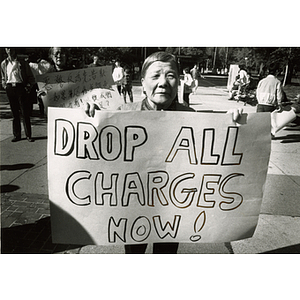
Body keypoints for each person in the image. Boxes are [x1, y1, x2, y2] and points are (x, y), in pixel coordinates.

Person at [84, 51, 243, 254]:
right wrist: (92, 118)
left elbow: (213, 152)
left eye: (170, 75)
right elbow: (100, 149)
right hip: (132, 210)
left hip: (171, 213)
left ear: (178, 82)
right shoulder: (123, 113)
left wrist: (228, 124)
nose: (163, 82)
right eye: (155, 75)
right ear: (143, 82)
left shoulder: (191, 118)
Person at [1, 48, 35, 142]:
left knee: (25, 112)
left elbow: (31, 77)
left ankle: (28, 135)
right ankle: (17, 135)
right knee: (14, 113)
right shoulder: (4, 63)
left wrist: (28, 87)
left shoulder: (22, 62)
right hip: (10, 87)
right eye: (7, 48)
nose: (9, 50)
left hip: (20, 87)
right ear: (5, 50)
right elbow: (3, 76)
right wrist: (4, 85)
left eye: (11, 48)